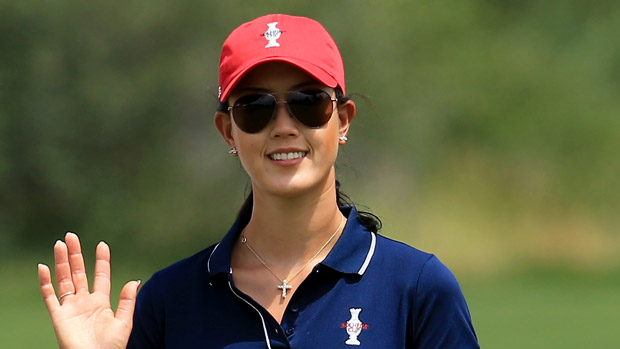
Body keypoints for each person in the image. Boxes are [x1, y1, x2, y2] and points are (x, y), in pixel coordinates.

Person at [38, 14, 479, 348]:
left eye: (308, 102)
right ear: (228, 131)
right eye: (255, 108)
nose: (284, 126)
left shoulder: (416, 288)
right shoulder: (170, 301)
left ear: (342, 121)